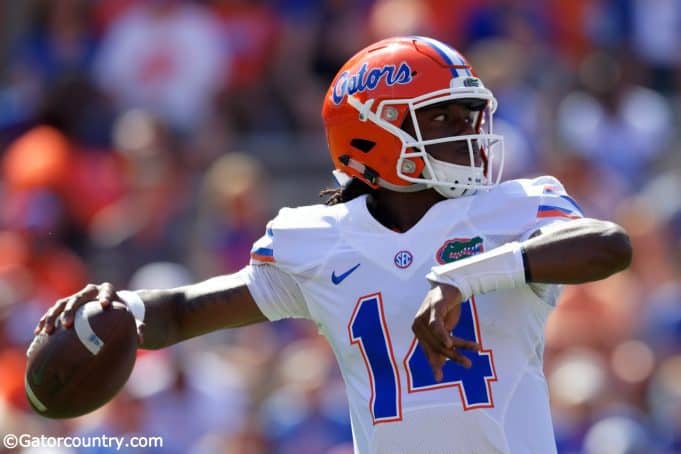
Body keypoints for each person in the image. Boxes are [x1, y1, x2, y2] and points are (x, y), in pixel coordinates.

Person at [34, 36, 632, 453]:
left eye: (469, 117)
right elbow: (186, 310)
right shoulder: (316, 242)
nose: (471, 136)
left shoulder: (513, 208)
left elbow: (608, 245)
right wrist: (120, 311)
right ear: (373, 137)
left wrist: (468, 277)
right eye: (444, 120)